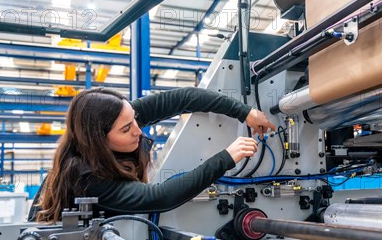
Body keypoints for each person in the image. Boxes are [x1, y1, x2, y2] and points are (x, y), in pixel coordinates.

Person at [33, 87, 275, 223]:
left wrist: (245, 112)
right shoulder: (84, 176)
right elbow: (158, 197)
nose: (139, 131)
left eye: (134, 120)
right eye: (126, 129)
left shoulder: (121, 114)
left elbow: (183, 98)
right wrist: (226, 157)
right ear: (98, 139)